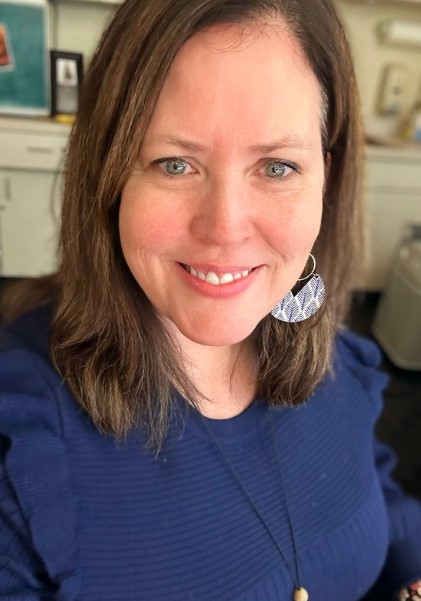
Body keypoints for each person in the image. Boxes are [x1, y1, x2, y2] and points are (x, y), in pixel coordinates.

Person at [0, 0, 420, 600]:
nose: (225, 229)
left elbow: (376, 496)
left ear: (325, 178)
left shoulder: (338, 360)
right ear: (109, 175)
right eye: (175, 164)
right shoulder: (21, 450)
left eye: (277, 167)